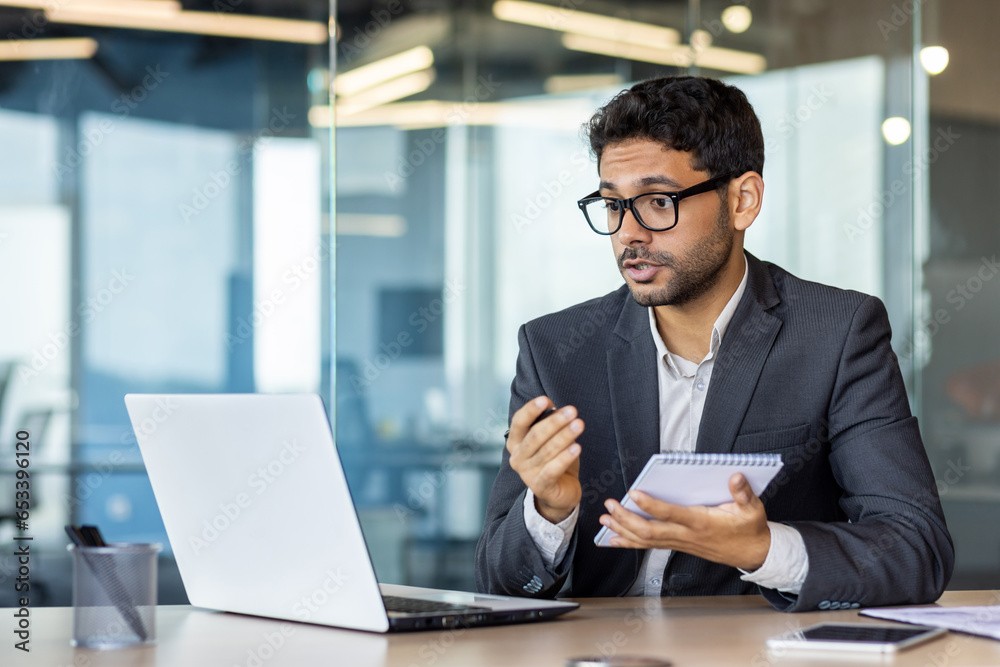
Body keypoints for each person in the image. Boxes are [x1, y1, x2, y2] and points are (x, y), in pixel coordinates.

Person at [475, 76, 954, 612]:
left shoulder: (837, 333)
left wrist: (764, 548)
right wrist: (548, 511)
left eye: (658, 201)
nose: (629, 234)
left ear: (742, 201)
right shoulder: (555, 349)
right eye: (613, 206)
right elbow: (502, 584)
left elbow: (916, 550)